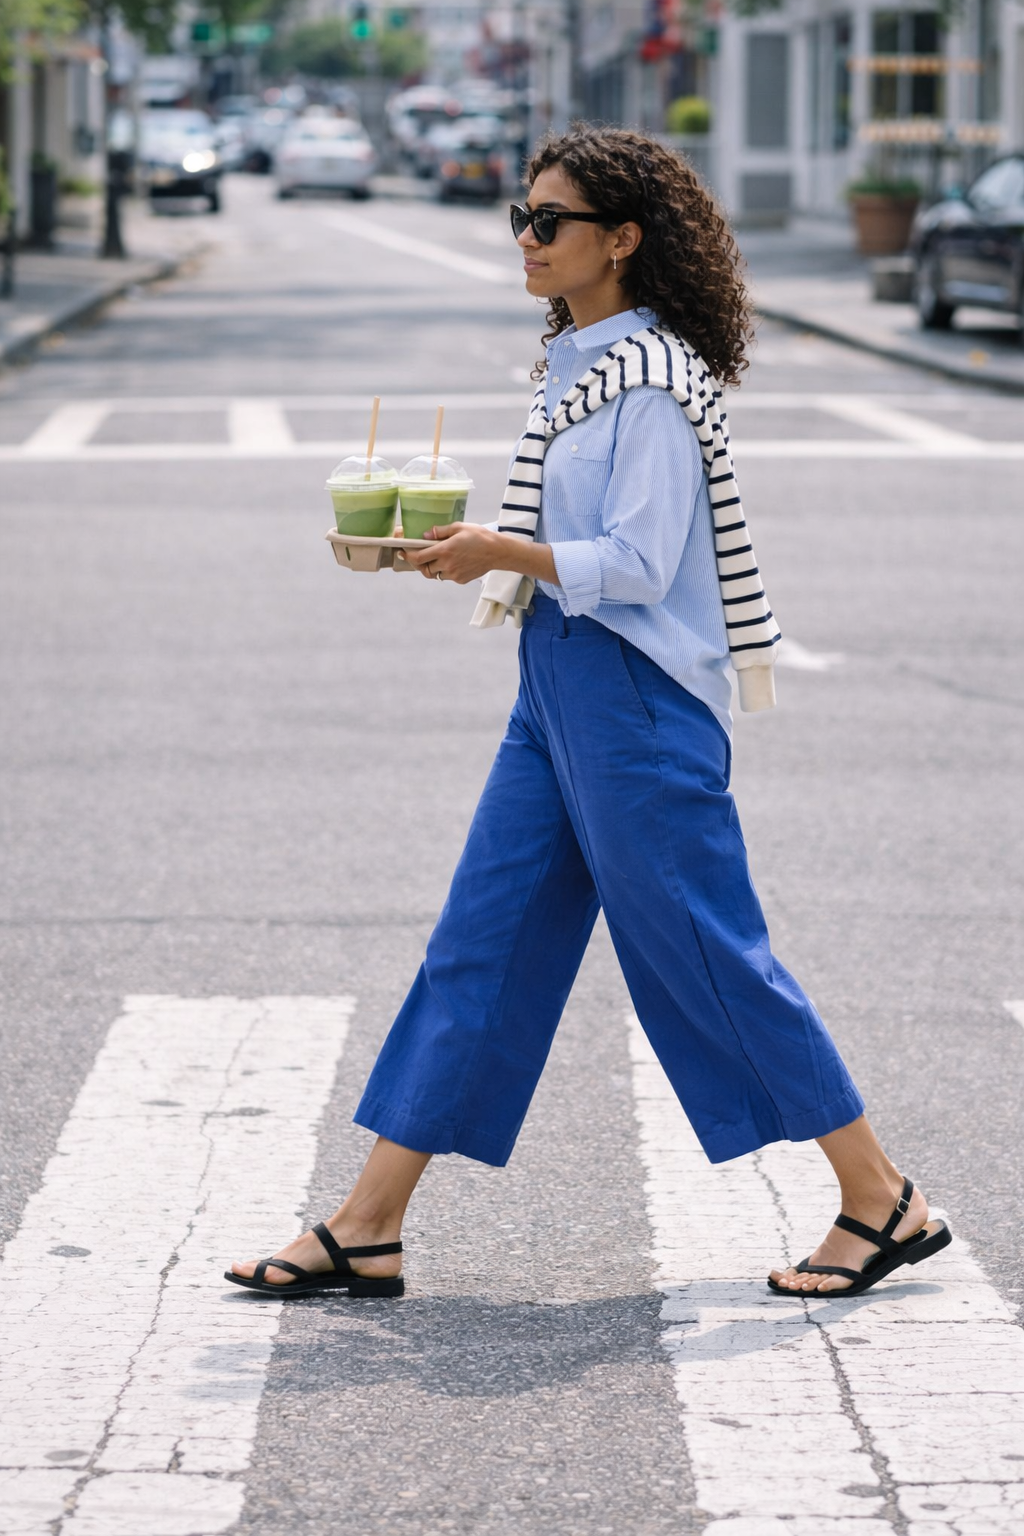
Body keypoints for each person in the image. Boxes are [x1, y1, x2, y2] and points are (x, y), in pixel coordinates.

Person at [228, 126, 951, 1302]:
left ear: (621, 240)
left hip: (635, 696)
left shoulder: (652, 381)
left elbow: (643, 563)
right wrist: (485, 556)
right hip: (557, 678)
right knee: (482, 944)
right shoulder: (579, 365)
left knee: (706, 949)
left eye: (549, 220)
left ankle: (880, 1198)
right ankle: (367, 1225)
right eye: (522, 215)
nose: (527, 237)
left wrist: (494, 550)